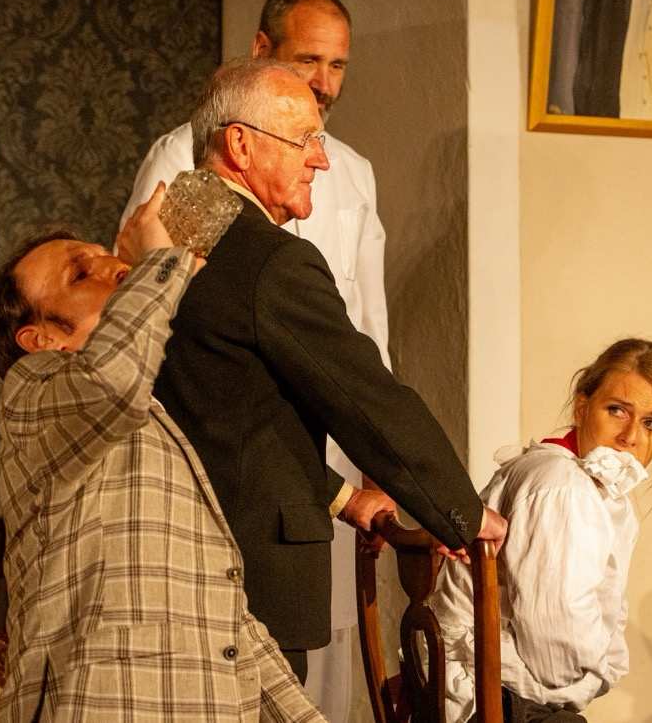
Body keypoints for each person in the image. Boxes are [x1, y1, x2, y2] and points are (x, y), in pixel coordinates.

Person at [156, 57, 507, 686]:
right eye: (304, 140)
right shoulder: (270, 261)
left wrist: (344, 498)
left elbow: (221, 419)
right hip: (247, 588)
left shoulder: (169, 232)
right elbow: (365, 398)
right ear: (240, 145)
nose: (320, 160)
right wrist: (460, 509)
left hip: (172, 566)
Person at [116, 0, 386, 719]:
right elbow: (147, 301)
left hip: (323, 463)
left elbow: (367, 324)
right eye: (308, 60)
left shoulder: (351, 170)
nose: (324, 82)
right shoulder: (184, 155)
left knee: (320, 656)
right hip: (231, 458)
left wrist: (371, 468)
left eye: (337, 65)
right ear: (261, 50)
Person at [0, 186, 322, 722]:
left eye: (105, 254)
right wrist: (162, 262)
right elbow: (112, 381)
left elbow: (225, 612)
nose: (112, 266)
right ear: (41, 338)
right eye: (80, 274)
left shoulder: (154, 420)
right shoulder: (33, 390)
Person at [429, 339, 652, 723]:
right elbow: (554, 653)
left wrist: (600, 667)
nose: (630, 436)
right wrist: (598, 675)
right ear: (582, 407)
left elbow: (608, 615)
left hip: (504, 694)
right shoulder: (563, 486)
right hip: (487, 702)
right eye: (617, 410)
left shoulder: (589, 490)